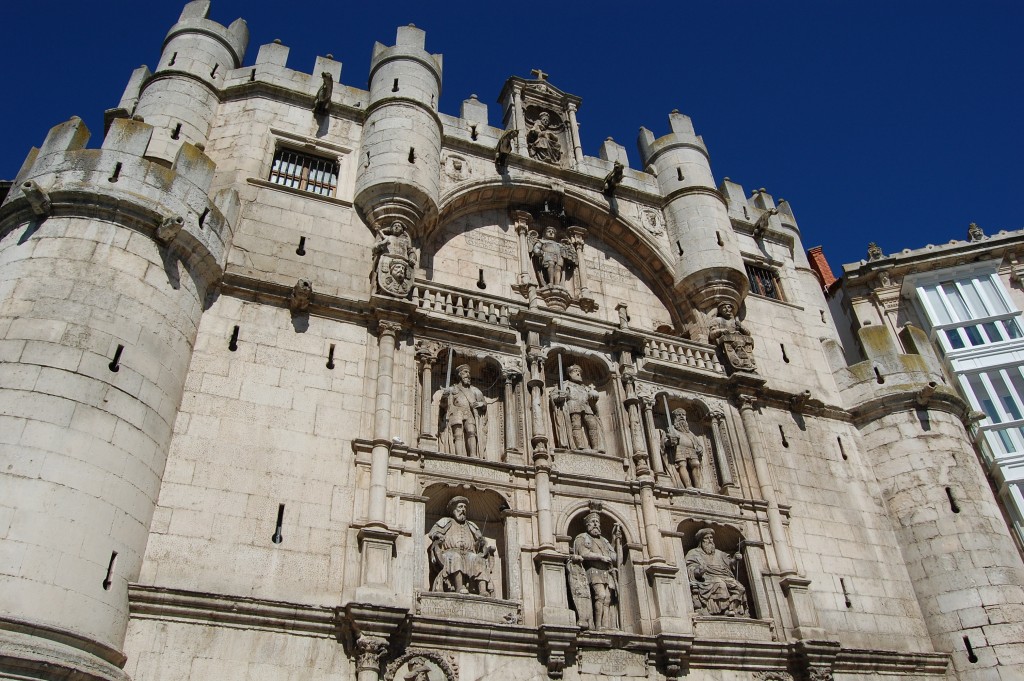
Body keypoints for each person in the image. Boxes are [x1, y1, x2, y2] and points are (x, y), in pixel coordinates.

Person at [427, 496, 495, 596]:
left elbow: (480, 543)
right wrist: (438, 535)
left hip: (469, 554)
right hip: (449, 553)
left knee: (478, 559)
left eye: (464, 507)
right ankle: (459, 587)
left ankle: (483, 590)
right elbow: (432, 533)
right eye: (460, 507)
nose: (463, 509)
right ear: (453, 509)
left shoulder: (471, 525)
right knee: (456, 557)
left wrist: (481, 543)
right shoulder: (445, 522)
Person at [569, 512, 622, 630]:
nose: (595, 524)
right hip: (593, 572)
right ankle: (598, 625)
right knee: (601, 595)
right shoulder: (582, 537)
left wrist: (616, 541)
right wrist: (600, 557)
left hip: (607, 572)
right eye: (592, 522)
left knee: (608, 599)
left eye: (597, 522)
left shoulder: (604, 541)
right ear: (587, 525)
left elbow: (614, 557)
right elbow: (583, 553)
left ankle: (606, 626)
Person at [684, 528, 747, 616]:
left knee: (739, 587)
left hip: (724, 576)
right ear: (701, 541)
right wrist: (699, 571)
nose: (710, 540)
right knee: (720, 584)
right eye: (706, 538)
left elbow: (729, 563)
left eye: (711, 537)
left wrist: (735, 559)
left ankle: (733, 609)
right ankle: (723, 610)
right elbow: (690, 568)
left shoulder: (719, 553)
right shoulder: (693, 553)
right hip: (706, 578)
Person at [552, 364, 603, 451]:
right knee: (576, 425)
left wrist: (593, 400)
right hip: (573, 404)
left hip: (586, 406)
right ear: (569, 374)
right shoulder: (565, 384)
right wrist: (560, 396)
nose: (578, 373)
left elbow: (591, 402)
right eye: (575, 371)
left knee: (592, 424)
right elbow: (554, 395)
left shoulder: (585, 387)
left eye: (579, 372)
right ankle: (580, 446)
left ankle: (596, 447)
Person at [443, 364, 487, 458]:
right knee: (458, 434)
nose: (468, 375)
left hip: (469, 413)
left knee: (471, 432)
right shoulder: (453, 388)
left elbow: (484, 404)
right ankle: (459, 456)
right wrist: (445, 395)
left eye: (469, 373)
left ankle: (473, 455)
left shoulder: (474, 390)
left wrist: (480, 404)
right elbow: (444, 402)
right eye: (465, 372)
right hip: (457, 413)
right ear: (460, 374)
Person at [660, 408, 703, 489]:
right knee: (682, 465)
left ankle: (698, 486)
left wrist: (700, 448)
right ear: (675, 418)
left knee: (696, 464)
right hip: (679, 448)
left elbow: (697, 443)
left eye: (683, 415)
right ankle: (688, 486)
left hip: (692, 450)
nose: (681, 416)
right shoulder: (671, 429)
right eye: (679, 415)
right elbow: (665, 441)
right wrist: (670, 441)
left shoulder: (690, 432)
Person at [708, 302, 756, 372]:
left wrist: (740, 327)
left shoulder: (735, 322)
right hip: (725, 349)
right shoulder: (717, 320)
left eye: (729, 307)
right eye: (724, 308)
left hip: (740, 343)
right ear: (720, 311)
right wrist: (721, 330)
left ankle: (746, 363)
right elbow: (712, 334)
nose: (727, 309)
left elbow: (748, 334)